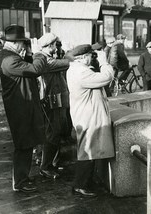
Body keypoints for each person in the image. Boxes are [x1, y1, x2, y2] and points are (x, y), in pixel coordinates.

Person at [0, 25, 49, 193]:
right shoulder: (10, 60)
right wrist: (39, 53)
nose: (24, 46)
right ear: (16, 43)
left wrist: (29, 54)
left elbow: (27, 66)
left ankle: (22, 178)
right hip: (19, 107)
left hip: (22, 105)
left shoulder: (10, 56)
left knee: (26, 142)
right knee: (23, 144)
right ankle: (20, 181)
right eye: (22, 43)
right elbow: (35, 70)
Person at [66, 44, 115, 197]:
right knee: (87, 152)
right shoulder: (82, 73)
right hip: (88, 116)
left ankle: (86, 182)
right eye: (90, 56)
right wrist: (104, 62)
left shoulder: (75, 69)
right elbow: (107, 77)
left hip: (86, 114)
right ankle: (80, 185)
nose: (92, 58)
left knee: (90, 150)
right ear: (83, 57)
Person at [37, 33, 70, 179]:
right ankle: (45, 167)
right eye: (55, 45)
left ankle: (50, 164)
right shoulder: (45, 60)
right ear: (50, 45)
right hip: (51, 102)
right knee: (52, 134)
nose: (57, 48)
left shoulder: (48, 58)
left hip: (57, 101)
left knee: (55, 133)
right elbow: (67, 63)